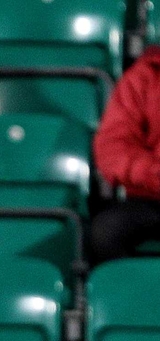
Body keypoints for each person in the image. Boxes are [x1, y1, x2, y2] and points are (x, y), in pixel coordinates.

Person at [90, 44, 160, 263]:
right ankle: (132, 285)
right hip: (151, 197)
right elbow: (112, 147)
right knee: (105, 233)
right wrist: (153, 173)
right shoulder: (145, 76)